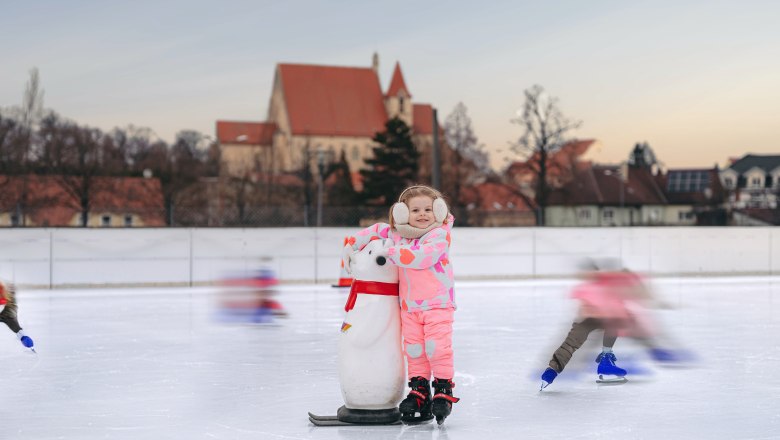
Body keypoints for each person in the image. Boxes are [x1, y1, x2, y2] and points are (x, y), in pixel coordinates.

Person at [342, 185, 459, 425]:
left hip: (437, 304)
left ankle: (443, 390)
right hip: (409, 307)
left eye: (428, 209)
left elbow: (422, 257)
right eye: (415, 210)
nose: (423, 214)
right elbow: (375, 231)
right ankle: (419, 391)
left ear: (438, 211)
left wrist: (392, 252)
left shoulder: (438, 235)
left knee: (437, 349)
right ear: (402, 214)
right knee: (414, 351)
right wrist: (351, 244)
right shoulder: (398, 234)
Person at [540, 259, 678, 390]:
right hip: (589, 318)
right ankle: (552, 370)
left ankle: (606, 362)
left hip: (607, 317)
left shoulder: (609, 285)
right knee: (574, 340)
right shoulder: (586, 289)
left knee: (620, 323)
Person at [0, 279, 35, 352]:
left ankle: (29, 344)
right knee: (18, 331)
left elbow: (4, 300)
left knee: (19, 331)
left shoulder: (4, 290)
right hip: (10, 312)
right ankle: (29, 345)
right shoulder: (7, 291)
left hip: (8, 313)